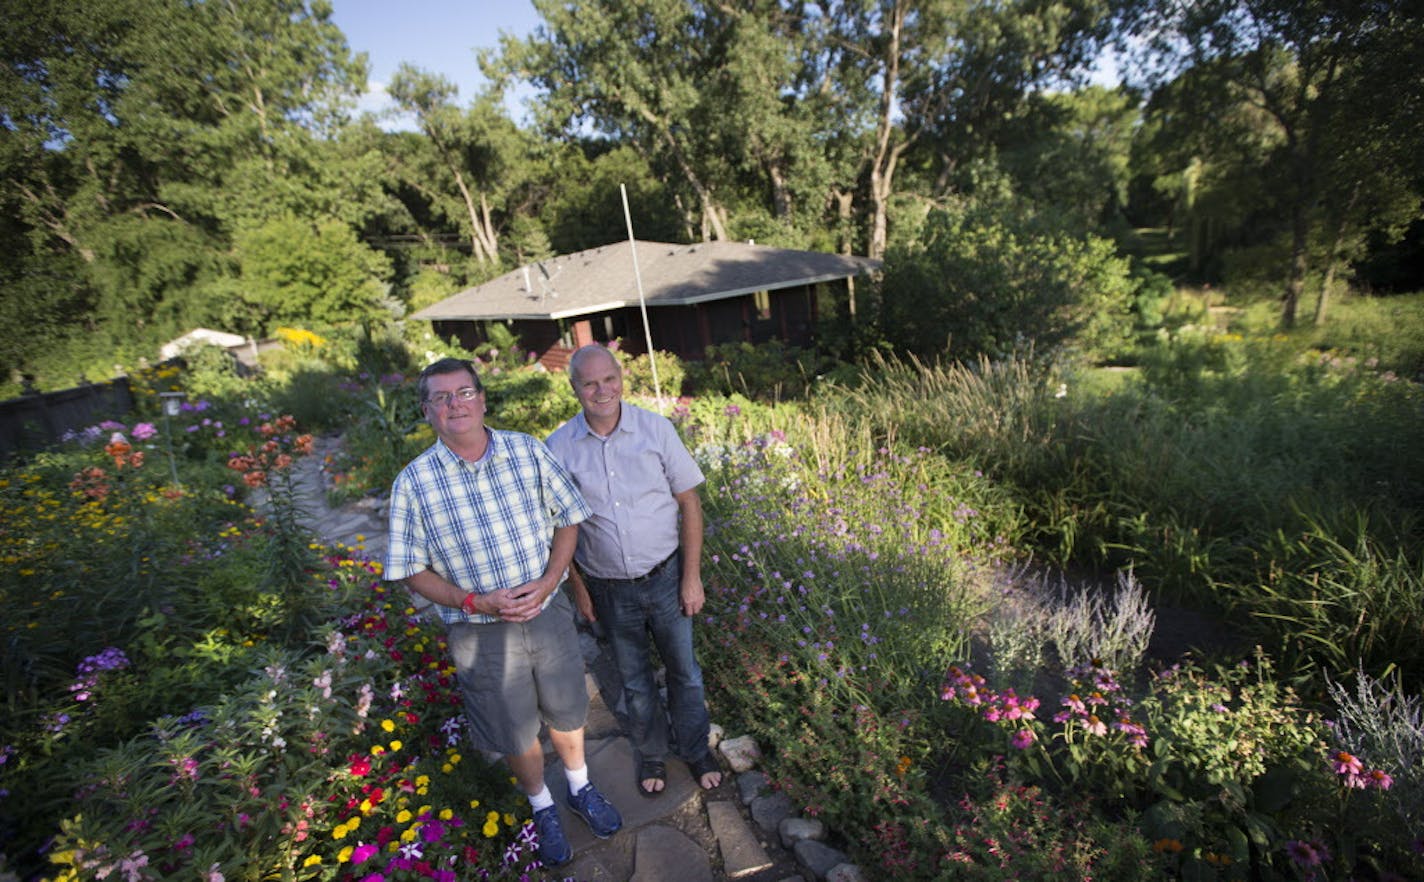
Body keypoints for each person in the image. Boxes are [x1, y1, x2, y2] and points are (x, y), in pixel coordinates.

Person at [383, 357, 621, 866]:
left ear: (483, 398)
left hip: (546, 609)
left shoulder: (526, 450)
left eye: (464, 392)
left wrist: (550, 580)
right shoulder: (414, 483)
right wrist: (472, 601)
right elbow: (409, 568)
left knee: (566, 705)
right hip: (479, 630)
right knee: (513, 726)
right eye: (442, 398)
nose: (455, 404)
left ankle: (579, 787)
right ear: (428, 412)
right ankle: (543, 806)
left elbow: (568, 519)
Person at [546, 344, 723, 797]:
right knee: (635, 681)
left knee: (685, 672)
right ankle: (650, 754)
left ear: (620, 378)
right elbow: (557, 527)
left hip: (666, 578)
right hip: (607, 589)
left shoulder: (655, 430)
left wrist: (691, 575)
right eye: (589, 383)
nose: (601, 390)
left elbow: (690, 503)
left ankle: (696, 749)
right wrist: (578, 588)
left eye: (609, 379)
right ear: (574, 389)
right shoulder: (559, 448)